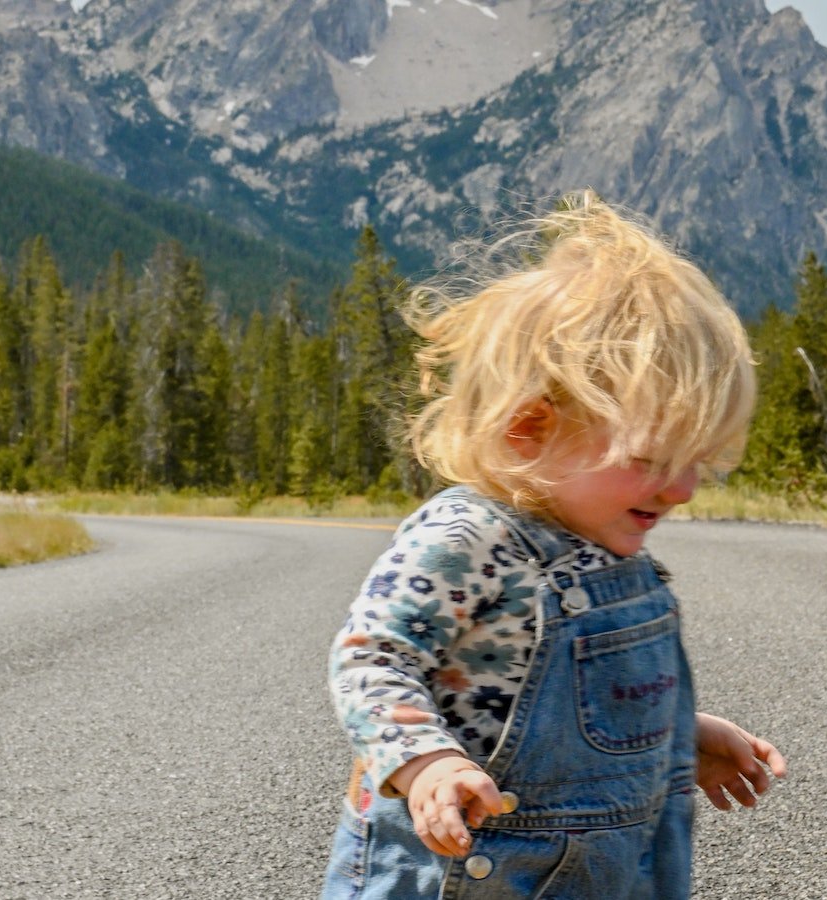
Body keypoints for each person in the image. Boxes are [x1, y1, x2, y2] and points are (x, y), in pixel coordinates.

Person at [322, 193, 786, 899]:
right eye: (654, 459)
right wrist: (427, 764)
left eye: (699, 460)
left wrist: (673, 734)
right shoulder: (467, 537)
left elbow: (573, 710)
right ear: (529, 429)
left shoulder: (603, 542)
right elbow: (372, 659)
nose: (683, 489)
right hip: (468, 874)